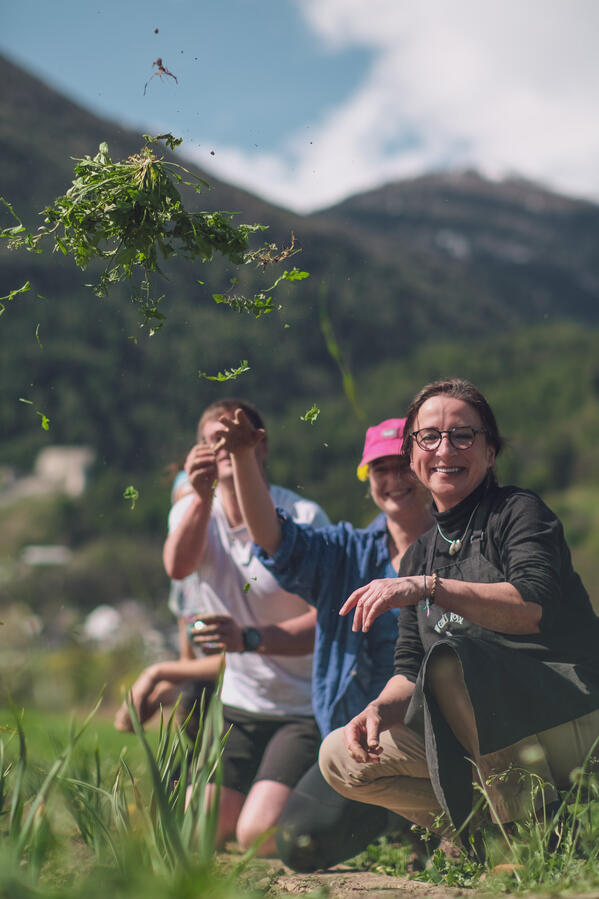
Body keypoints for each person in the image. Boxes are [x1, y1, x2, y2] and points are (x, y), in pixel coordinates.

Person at [319, 377, 599, 851]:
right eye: (429, 436)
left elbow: (531, 608)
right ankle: (486, 835)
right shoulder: (419, 554)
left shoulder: (518, 512)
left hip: (568, 714)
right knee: (339, 758)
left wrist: (430, 587)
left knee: (453, 661)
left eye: (463, 435)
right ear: (412, 455)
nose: (445, 449)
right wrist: (378, 709)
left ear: (490, 452)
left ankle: (528, 840)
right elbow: (409, 668)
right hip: (481, 738)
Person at [215, 410, 433, 870]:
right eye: (380, 468)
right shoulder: (347, 553)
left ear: (424, 468)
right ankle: (397, 823)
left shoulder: (460, 549)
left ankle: (440, 826)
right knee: (298, 842)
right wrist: (243, 459)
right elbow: (277, 541)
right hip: (357, 744)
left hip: (438, 737)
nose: (393, 479)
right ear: (366, 479)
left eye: (402, 465)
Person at [160, 398, 330, 855]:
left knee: (259, 834)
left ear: (261, 446)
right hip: (239, 704)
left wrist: (251, 639)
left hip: (302, 706)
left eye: (234, 439)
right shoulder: (192, 510)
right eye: (212, 441)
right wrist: (200, 496)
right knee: (196, 828)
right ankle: (254, 793)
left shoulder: (304, 516)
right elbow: (178, 567)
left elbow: (329, 621)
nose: (223, 449)